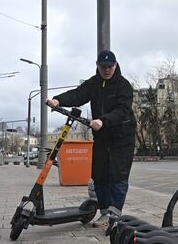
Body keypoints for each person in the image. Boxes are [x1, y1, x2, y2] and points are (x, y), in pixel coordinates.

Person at [46, 50, 136, 228]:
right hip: (102, 137)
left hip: (122, 137)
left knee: (117, 176)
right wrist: (58, 100)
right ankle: (104, 213)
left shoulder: (123, 86)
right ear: (97, 66)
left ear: (116, 65)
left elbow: (123, 110)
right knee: (99, 175)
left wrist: (103, 120)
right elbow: (78, 94)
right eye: (103, 67)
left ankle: (114, 214)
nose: (107, 70)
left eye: (110, 66)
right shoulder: (94, 83)